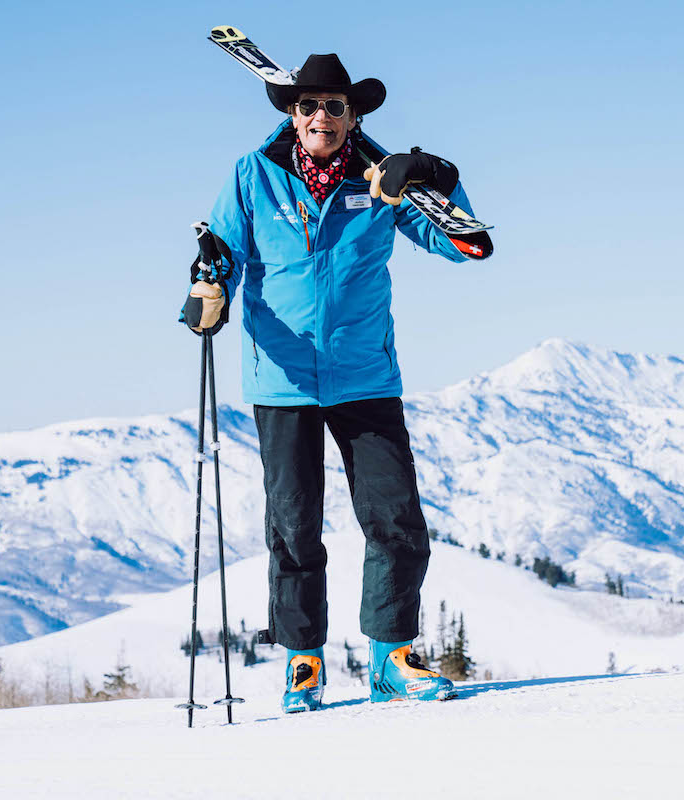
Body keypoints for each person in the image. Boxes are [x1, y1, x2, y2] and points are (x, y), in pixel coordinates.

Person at [180, 53, 492, 712]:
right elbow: (223, 252)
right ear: (293, 115)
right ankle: (302, 660)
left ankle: (392, 659)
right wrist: (209, 284)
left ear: (354, 117)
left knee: (396, 521)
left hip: (364, 375)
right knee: (293, 529)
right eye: (308, 106)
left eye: (334, 106)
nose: (320, 116)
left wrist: (437, 175)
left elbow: (460, 243)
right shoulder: (253, 176)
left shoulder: (382, 185)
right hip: (283, 378)